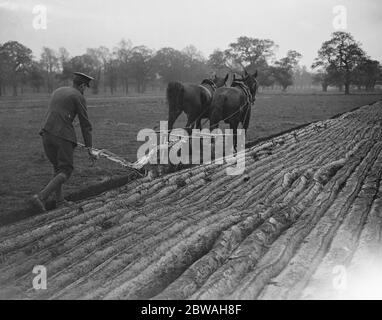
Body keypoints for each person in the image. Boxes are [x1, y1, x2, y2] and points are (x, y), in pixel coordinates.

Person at [30, 72, 97, 212]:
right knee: (66, 170)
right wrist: (89, 149)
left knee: (57, 168)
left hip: (46, 133)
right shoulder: (77, 96)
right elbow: (85, 125)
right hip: (63, 136)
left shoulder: (58, 91)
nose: (85, 90)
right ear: (82, 85)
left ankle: (60, 201)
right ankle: (41, 197)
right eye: (85, 87)